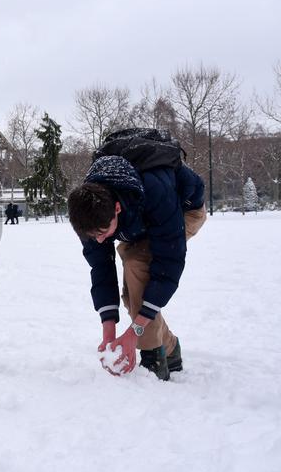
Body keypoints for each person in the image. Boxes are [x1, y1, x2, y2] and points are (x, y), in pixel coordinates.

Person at [67, 154, 206, 381]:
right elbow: (101, 268)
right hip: (138, 220)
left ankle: (154, 356)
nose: (100, 241)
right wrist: (108, 329)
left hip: (182, 210)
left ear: (117, 208)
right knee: (132, 290)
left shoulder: (157, 191)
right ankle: (170, 349)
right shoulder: (88, 214)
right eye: (94, 236)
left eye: (103, 233)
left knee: (136, 266)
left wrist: (134, 332)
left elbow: (167, 266)